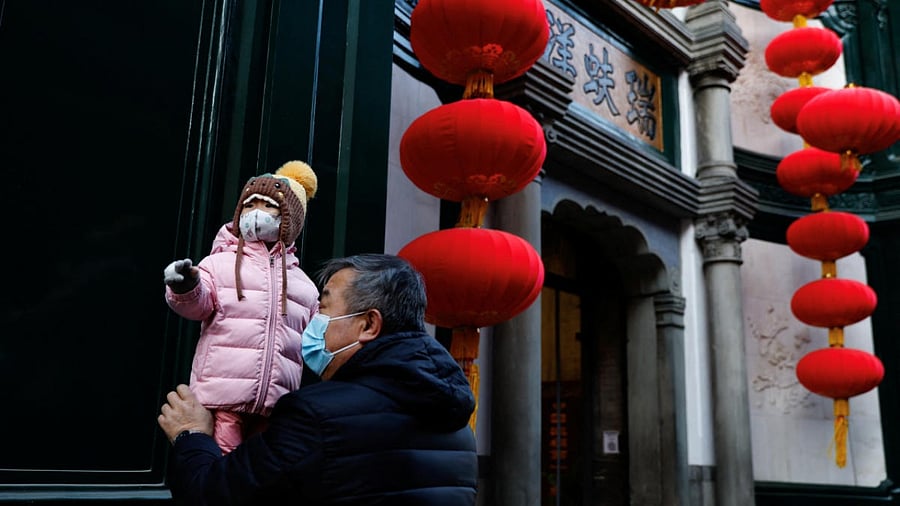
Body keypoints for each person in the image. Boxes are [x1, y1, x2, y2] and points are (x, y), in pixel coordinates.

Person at [158, 253, 478, 505]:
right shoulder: (458, 428)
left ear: (368, 325)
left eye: (323, 308)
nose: (312, 324)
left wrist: (192, 436)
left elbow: (213, 496)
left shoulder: (315, 416)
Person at [163, 161, 320, 454]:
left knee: (262, 474)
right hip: (221, 399)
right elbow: (198, 305)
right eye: (250, 205)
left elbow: (317, 342)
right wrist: (185, 285)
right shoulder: (218, 263)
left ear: (291, 219)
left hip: (276, 404)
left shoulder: (304, 285)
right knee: (221, 468)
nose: (256, 212)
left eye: (268, 205)